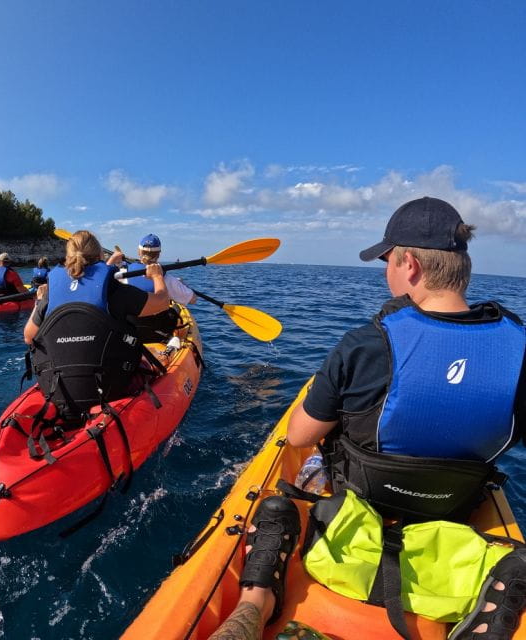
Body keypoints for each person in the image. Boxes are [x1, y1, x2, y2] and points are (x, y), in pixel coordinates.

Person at [213, 197, 526, 640]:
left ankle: (258, 597)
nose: (385, 273)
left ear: (411, 265)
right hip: (451, 511)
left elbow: (300, 434)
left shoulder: (367, 344)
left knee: (282, 498)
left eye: (387, 261)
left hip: (359, 504)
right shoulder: (519, 349)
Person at [23, 230, 169, 423]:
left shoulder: (51, 291)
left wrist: (39, 301)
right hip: (110, 387)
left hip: (58, 389)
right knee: (150, 359)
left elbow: (28, 336)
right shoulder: (114, 289)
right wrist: (157, 276)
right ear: (100, 255)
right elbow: (162, 302)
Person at [108, 233, 196, 342]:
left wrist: (112, 259)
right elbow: (192, 299)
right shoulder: (167, 279)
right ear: (158, 254)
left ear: (139, 252)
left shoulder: (122, 274)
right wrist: (183, 285)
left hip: (129, 334)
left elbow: (104, 279)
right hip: (158, 334)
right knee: (175, 310)